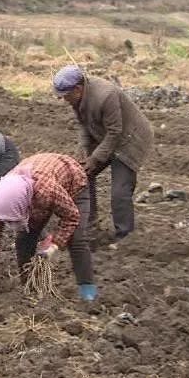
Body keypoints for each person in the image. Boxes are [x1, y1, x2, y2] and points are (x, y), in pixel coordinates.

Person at [0, 153, 97, 301]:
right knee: (23, 240)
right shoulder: (0, 195)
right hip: (33, 193)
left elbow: (71, 217)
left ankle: (88, 292)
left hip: (72, 180)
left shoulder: (46, 192)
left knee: (77, 239)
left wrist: (55, 245)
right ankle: (30, 289)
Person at [53, 65, 153, 244]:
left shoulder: (105, 95)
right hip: (106, 135)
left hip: (130, 139)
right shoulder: (77, 99)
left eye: (65, 95)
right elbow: (84, 126)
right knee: (82, 175)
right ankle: (90, 225)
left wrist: (96, 157)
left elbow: (115, 131)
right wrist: (84, 153)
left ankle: (125, 237)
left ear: (78, 88)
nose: (64, 100)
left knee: (120, 192)